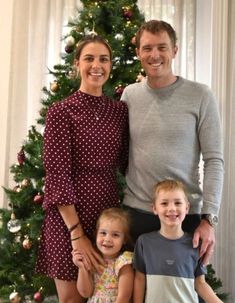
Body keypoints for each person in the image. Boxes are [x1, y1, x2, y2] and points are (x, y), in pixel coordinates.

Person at [121, 20, 224, 264]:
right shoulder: (129, 95)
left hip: (183, 215)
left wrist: (209, 220)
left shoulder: (201, 95)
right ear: (138, 53)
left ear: (175, 50)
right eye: (147, 48)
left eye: (162, 47)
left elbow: (214, 160)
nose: (154, 55)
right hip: (137, 215)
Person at [35, 34, 129, 303]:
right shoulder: (61, 112)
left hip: (107, 219)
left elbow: (127, 161)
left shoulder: (119, 111)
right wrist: (76, 234)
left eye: (103, 59)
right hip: (68, 220)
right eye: (89, 58)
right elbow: (58, 176)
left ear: (111, 65)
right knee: (73, 299)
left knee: (106, 295)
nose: (96, 65)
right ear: (76, 64)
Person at [133, 180, 223, 303]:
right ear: (154, 208)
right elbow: (139, 279)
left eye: (178, 203)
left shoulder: (196, 244)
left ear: (186, 208)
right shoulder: (144, 242)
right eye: (164, 203)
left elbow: (200, 283)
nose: (171, 208)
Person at [72, 207, 134, 303]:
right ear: (96, 234)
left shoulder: (123, 262)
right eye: (103, 233)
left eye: (115, 235)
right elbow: (85, 293)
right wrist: (82, 268)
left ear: (124, 239)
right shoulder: (92, 259)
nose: (108, 239)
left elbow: (124, 296)